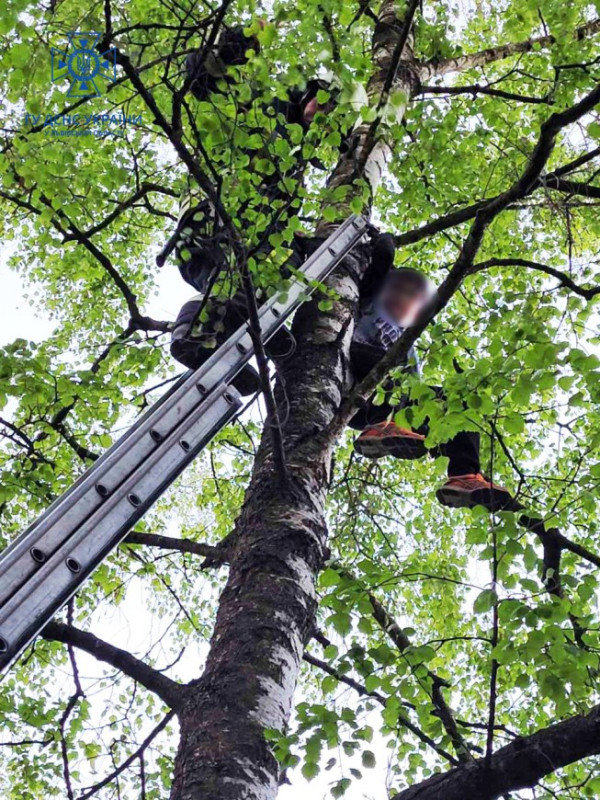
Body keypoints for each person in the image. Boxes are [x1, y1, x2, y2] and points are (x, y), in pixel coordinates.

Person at [159, 23, 341, 392]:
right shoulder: (264, 111)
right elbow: (203, 80)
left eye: (331, 116)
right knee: (247, 267)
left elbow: (279, 219)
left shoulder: (294, 161)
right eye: (321, 103)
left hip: (233, 247)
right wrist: (235, 46)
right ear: (308, 92)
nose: (321, 115)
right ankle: (198, 329)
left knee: (279, 262)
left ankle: (228, 341)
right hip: (214, 220)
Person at [350, 234, 517, 512]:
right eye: (398, 289)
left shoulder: (408, 344)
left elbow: (417, 398)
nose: (404, 298)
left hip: (381, 400)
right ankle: (380, 424)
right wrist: (381, 237)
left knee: (455, 402)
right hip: (351, 367)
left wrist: (437, 433)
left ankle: (464, 475)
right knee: (395, 370)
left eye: (412, 296)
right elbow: (382, 257)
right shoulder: (367, 301)